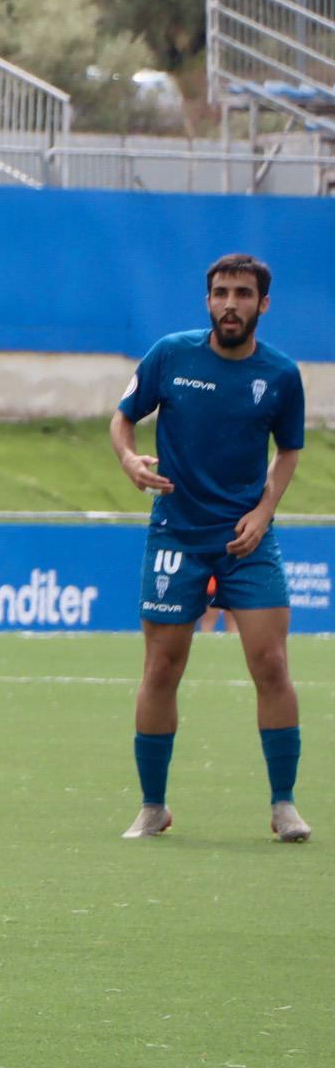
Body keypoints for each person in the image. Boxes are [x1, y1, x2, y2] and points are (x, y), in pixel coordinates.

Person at [111, 252, 309, 842]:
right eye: (221, 292)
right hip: (176, 536)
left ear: (262, 304)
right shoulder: (171, 354)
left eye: (243, 294)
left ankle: (283, 805)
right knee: (162, 667)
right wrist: (127, 457)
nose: (230, 303)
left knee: (271, 664)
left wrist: (263, 511)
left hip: (247, 540)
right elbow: (123, 418)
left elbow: (289, 450)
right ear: (207, 301)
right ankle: (152, 806)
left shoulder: (281, 375)